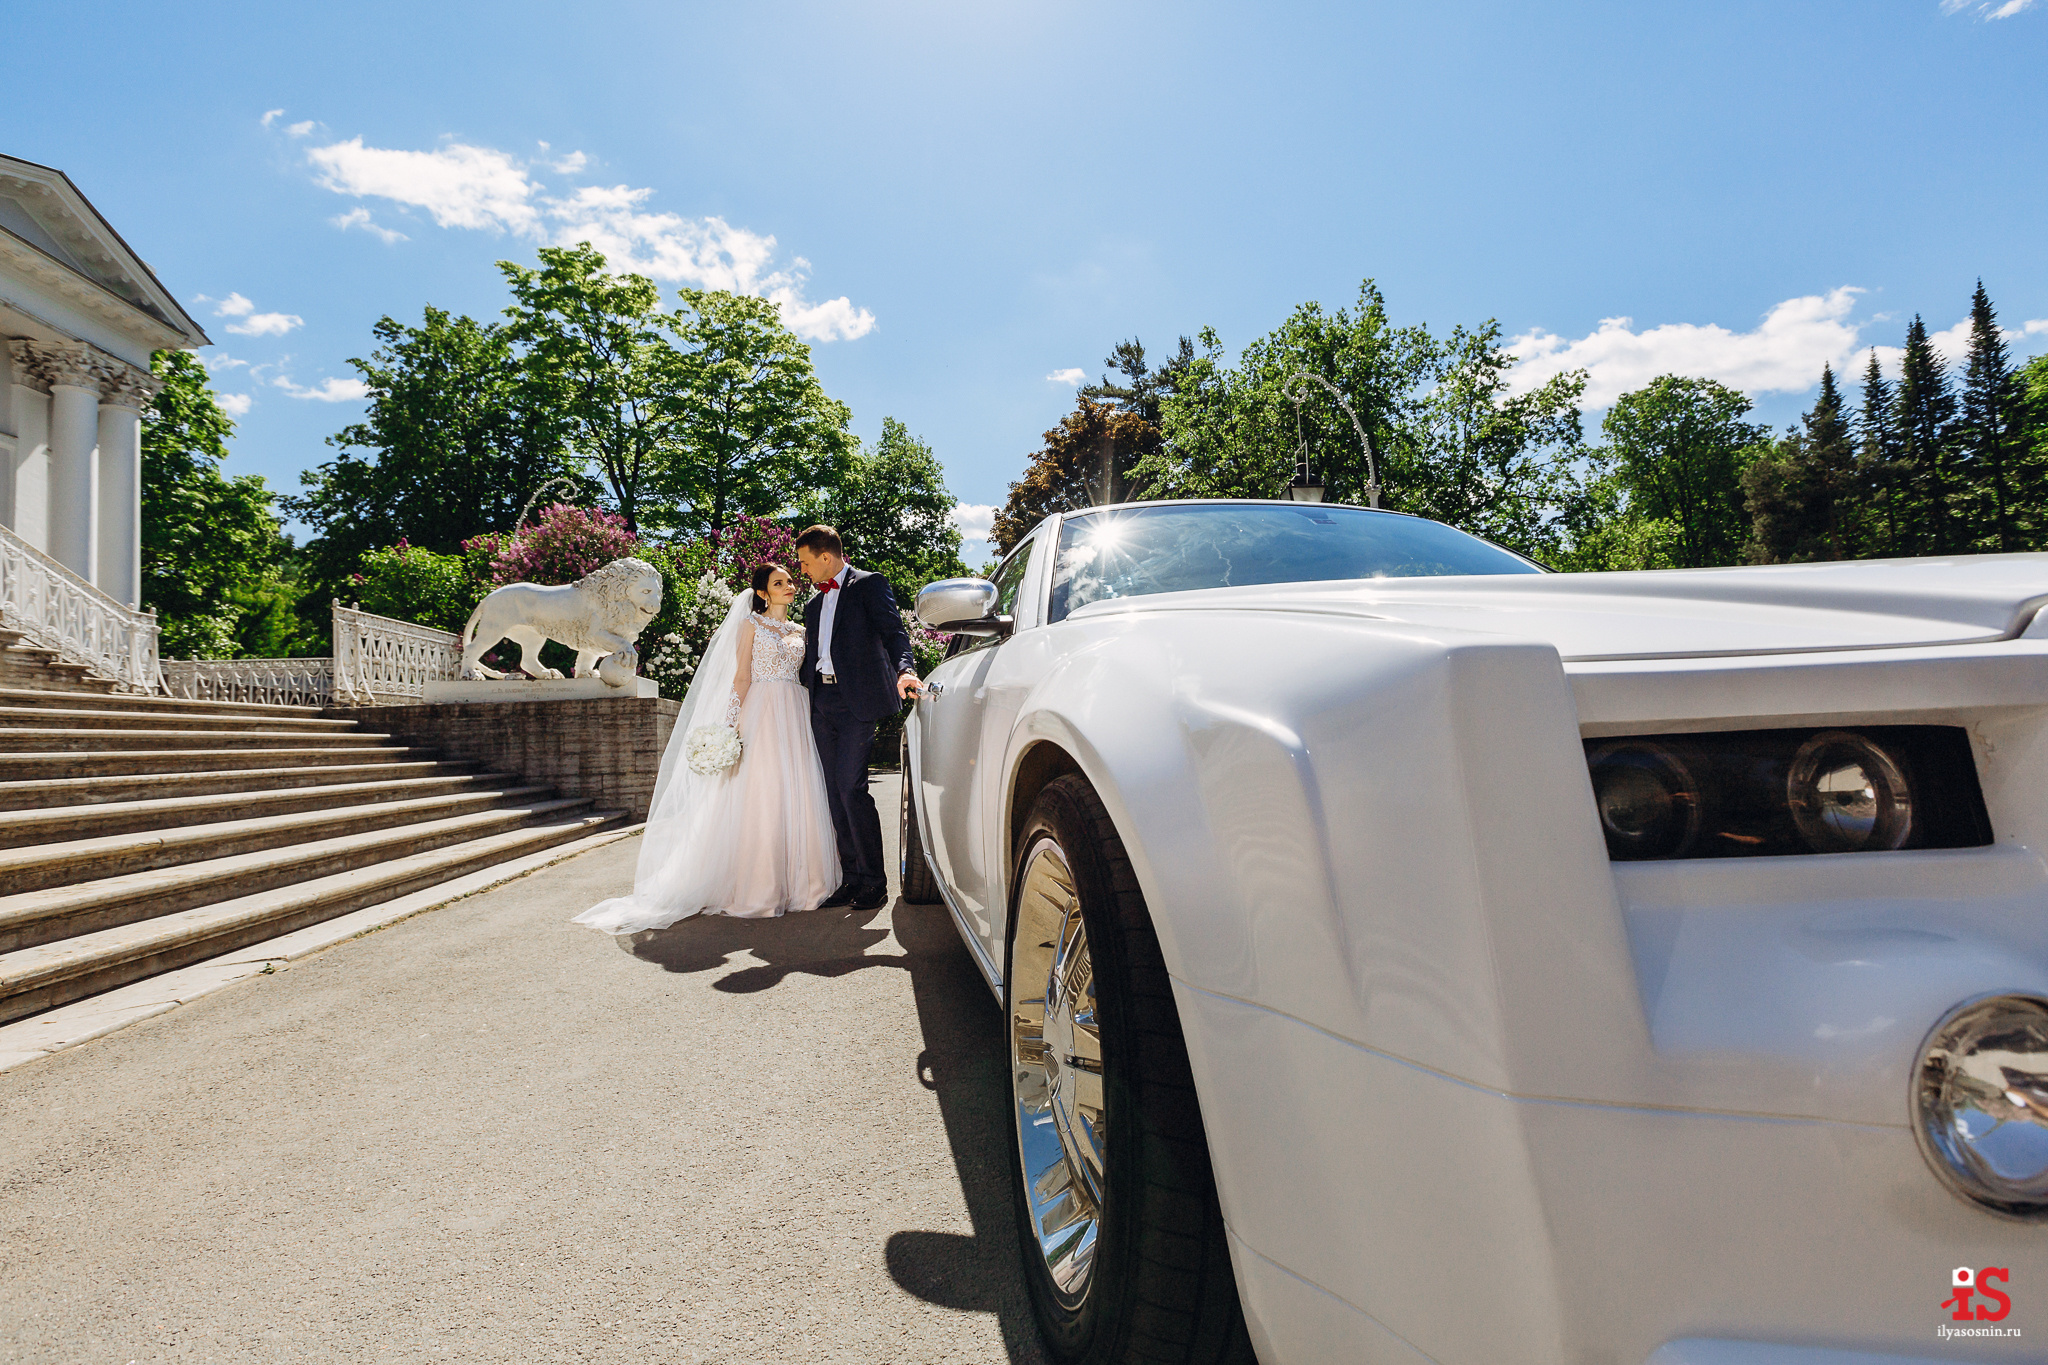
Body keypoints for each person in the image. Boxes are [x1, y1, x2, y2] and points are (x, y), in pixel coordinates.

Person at [574, 564, 841, 932]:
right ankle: (760, 887)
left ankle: (804, 884)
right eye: (779, 583)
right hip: (760, 711)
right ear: (763, 592)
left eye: (790, 581)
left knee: (796, 790)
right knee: (759, 793)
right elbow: (742, 675)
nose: (789, 586)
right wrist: (730, 724)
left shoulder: (801, 631)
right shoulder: (751, 625)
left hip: (795, 711)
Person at [794, 525, 922, 911]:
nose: (802, 570)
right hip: (822, 702)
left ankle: (874, 881)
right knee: (833, 793)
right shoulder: (813, 606)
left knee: (851, 787)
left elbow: (894, 632)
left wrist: (904, 670)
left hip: (857, 703)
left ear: (826, 557)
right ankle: (850, 879)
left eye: (804, 562)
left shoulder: (869, 584)